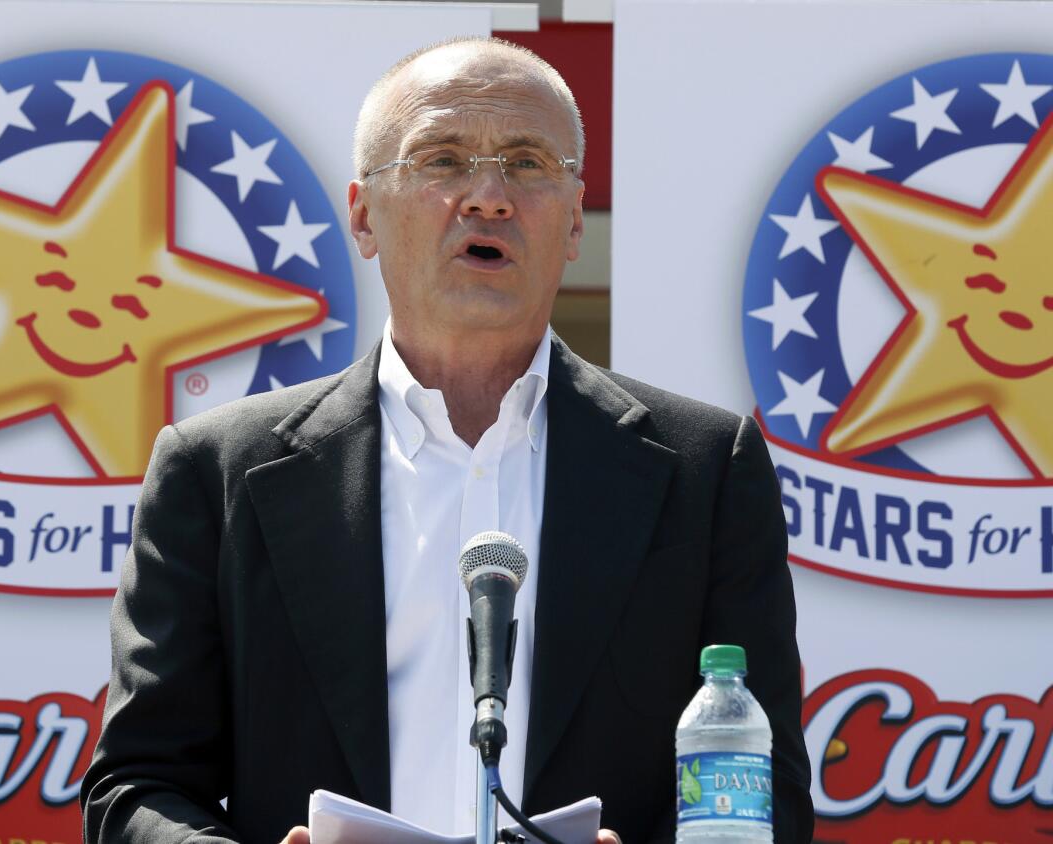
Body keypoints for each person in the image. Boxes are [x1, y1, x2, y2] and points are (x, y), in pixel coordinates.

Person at [81, 37, 814, 844]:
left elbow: (763, 798)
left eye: (529, 163)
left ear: (574, 220)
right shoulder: (217, 471)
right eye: (443, 159)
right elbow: (135, 789)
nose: (489, 197)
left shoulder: (707, 471)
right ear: (363, 214)